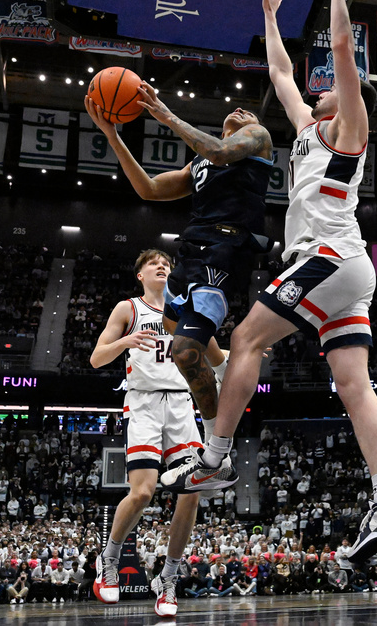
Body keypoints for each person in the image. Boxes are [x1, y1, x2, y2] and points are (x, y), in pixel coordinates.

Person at [160, 0, 377, 565]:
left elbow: (343, 54)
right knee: (353, 385)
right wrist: (271, 19)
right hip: (347, 274)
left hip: (329, 257)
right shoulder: (307, 126)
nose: (321, 89)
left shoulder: (350, 124)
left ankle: (216, 458)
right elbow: (280, 73)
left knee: (248, 338)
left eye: (329, 89)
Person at [85, 56, 274, 460]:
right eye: (237, 109)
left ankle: (216, 450)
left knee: (185, 348)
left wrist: (167, 115)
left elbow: (223, 152)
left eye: (249, 109)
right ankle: (223, 369)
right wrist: (113, 135)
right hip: (192, 248)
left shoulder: (255, 138)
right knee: (174, 326)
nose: (242, 110)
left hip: (225, 248)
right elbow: (150, 189)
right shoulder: (201, 161)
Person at [88, 250, 207, 618]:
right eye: (153, 263)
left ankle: (167, 579)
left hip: (181, 405)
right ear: (139, 274)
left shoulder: (185, 313)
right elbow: (96, 358)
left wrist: (244, 352)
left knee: (192, 491)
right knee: (143, 491)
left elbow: (212, 355)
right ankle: (108, 559)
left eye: (167, 264)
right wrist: (125, 342)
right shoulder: (128, 308)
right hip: (143, 402)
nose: (162, 266)